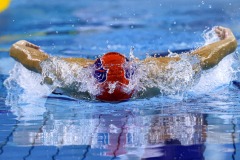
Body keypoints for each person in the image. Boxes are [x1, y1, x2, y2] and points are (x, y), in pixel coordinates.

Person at [9, 26, 237, 102]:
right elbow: (207, 58)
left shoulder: (70, 76)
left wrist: (20, 44)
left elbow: (21, 54)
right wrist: (229, 40)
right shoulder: (162, 77)